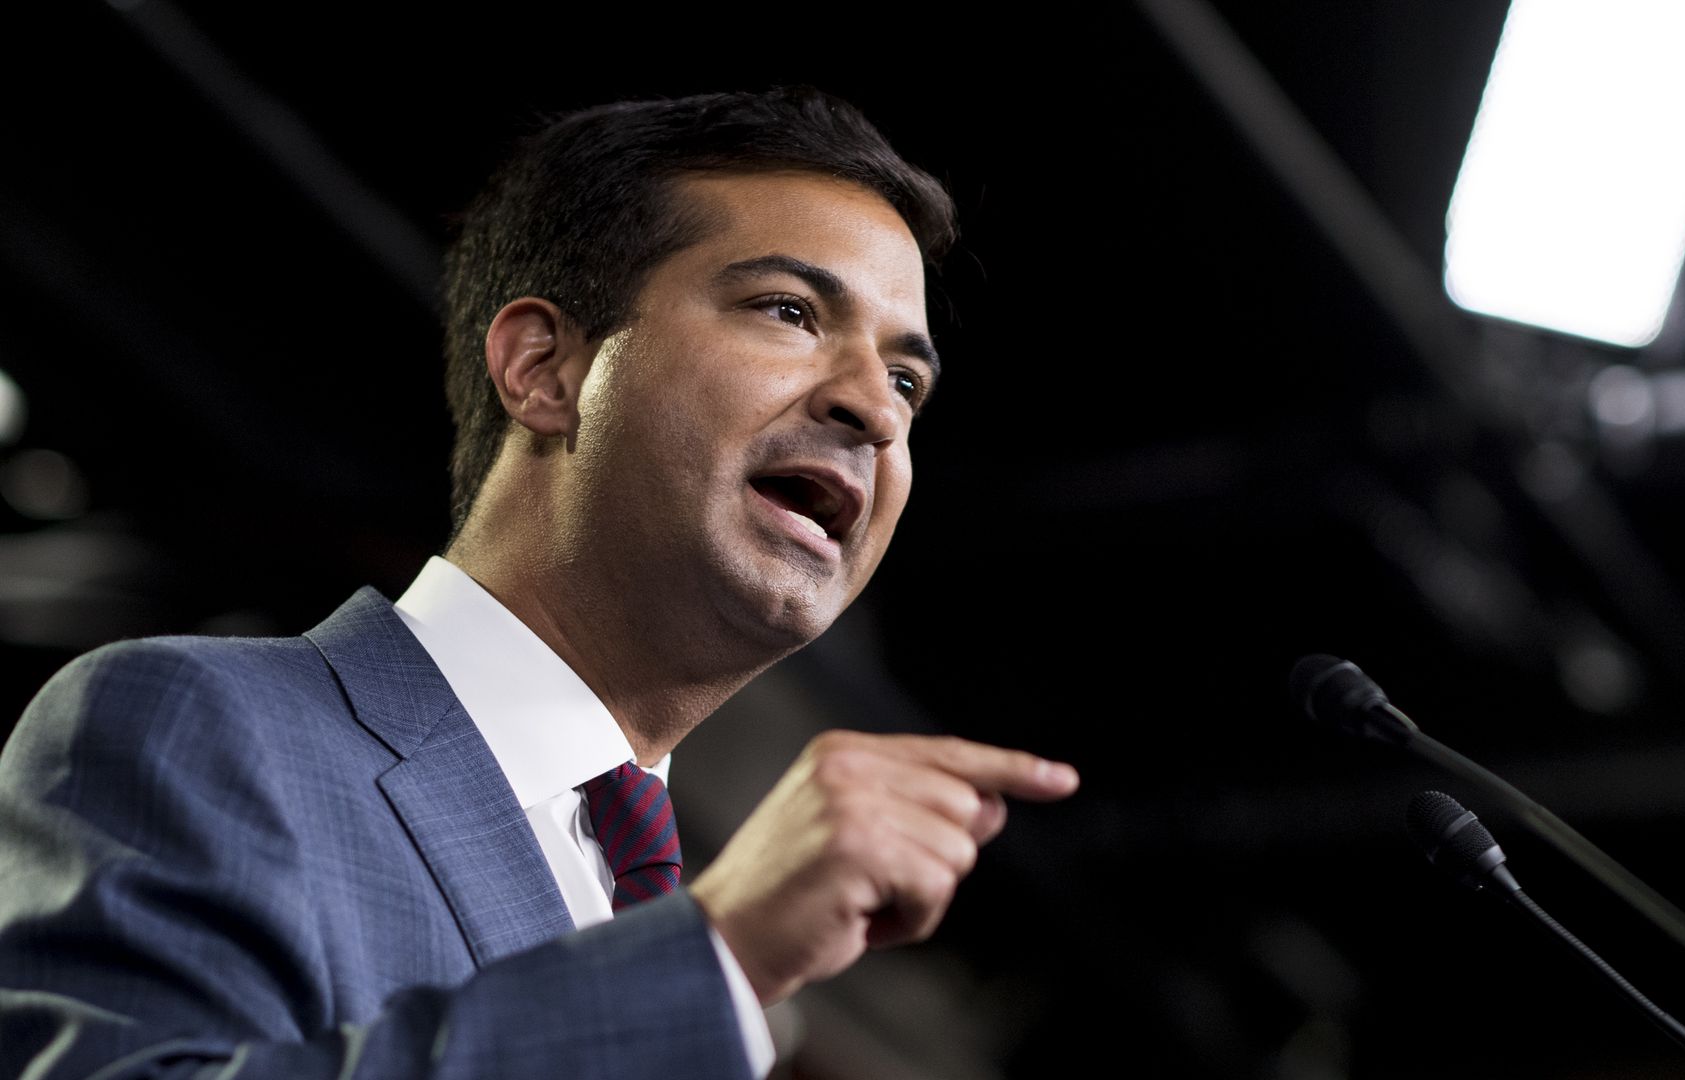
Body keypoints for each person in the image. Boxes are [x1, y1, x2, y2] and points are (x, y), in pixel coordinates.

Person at [0, 87, 1079, 1079]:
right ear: (543, 369)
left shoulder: (684, 922)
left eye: (906, 379)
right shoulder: (192, 724)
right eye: (789, 311)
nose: (876, 411)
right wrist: (716, 956)